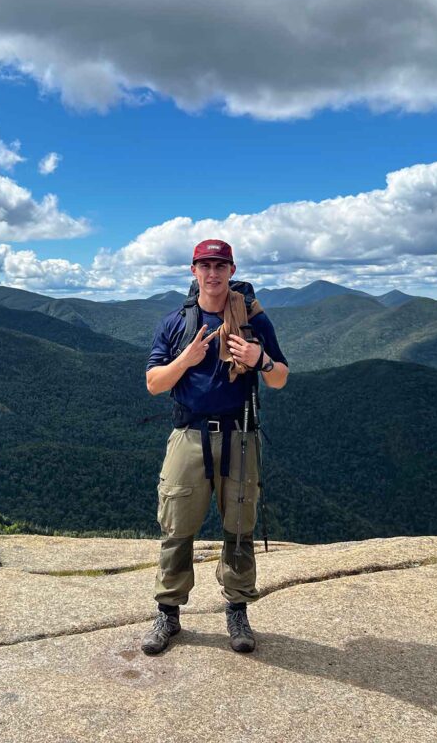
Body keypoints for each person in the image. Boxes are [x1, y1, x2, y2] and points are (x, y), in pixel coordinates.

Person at [141, 239, 289, 655]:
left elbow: (280, 377)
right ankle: (168, 613)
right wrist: (185, 360)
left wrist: (260, 359)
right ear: (193, 271)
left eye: (220, 265)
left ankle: (237, 610)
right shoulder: (175, 323)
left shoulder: (255, 322)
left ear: (231, 270)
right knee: (177, 527)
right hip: (189, 434)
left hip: (240, 434)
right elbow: (154, 383)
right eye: (205, 265)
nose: (212, 273)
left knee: (239, 527)